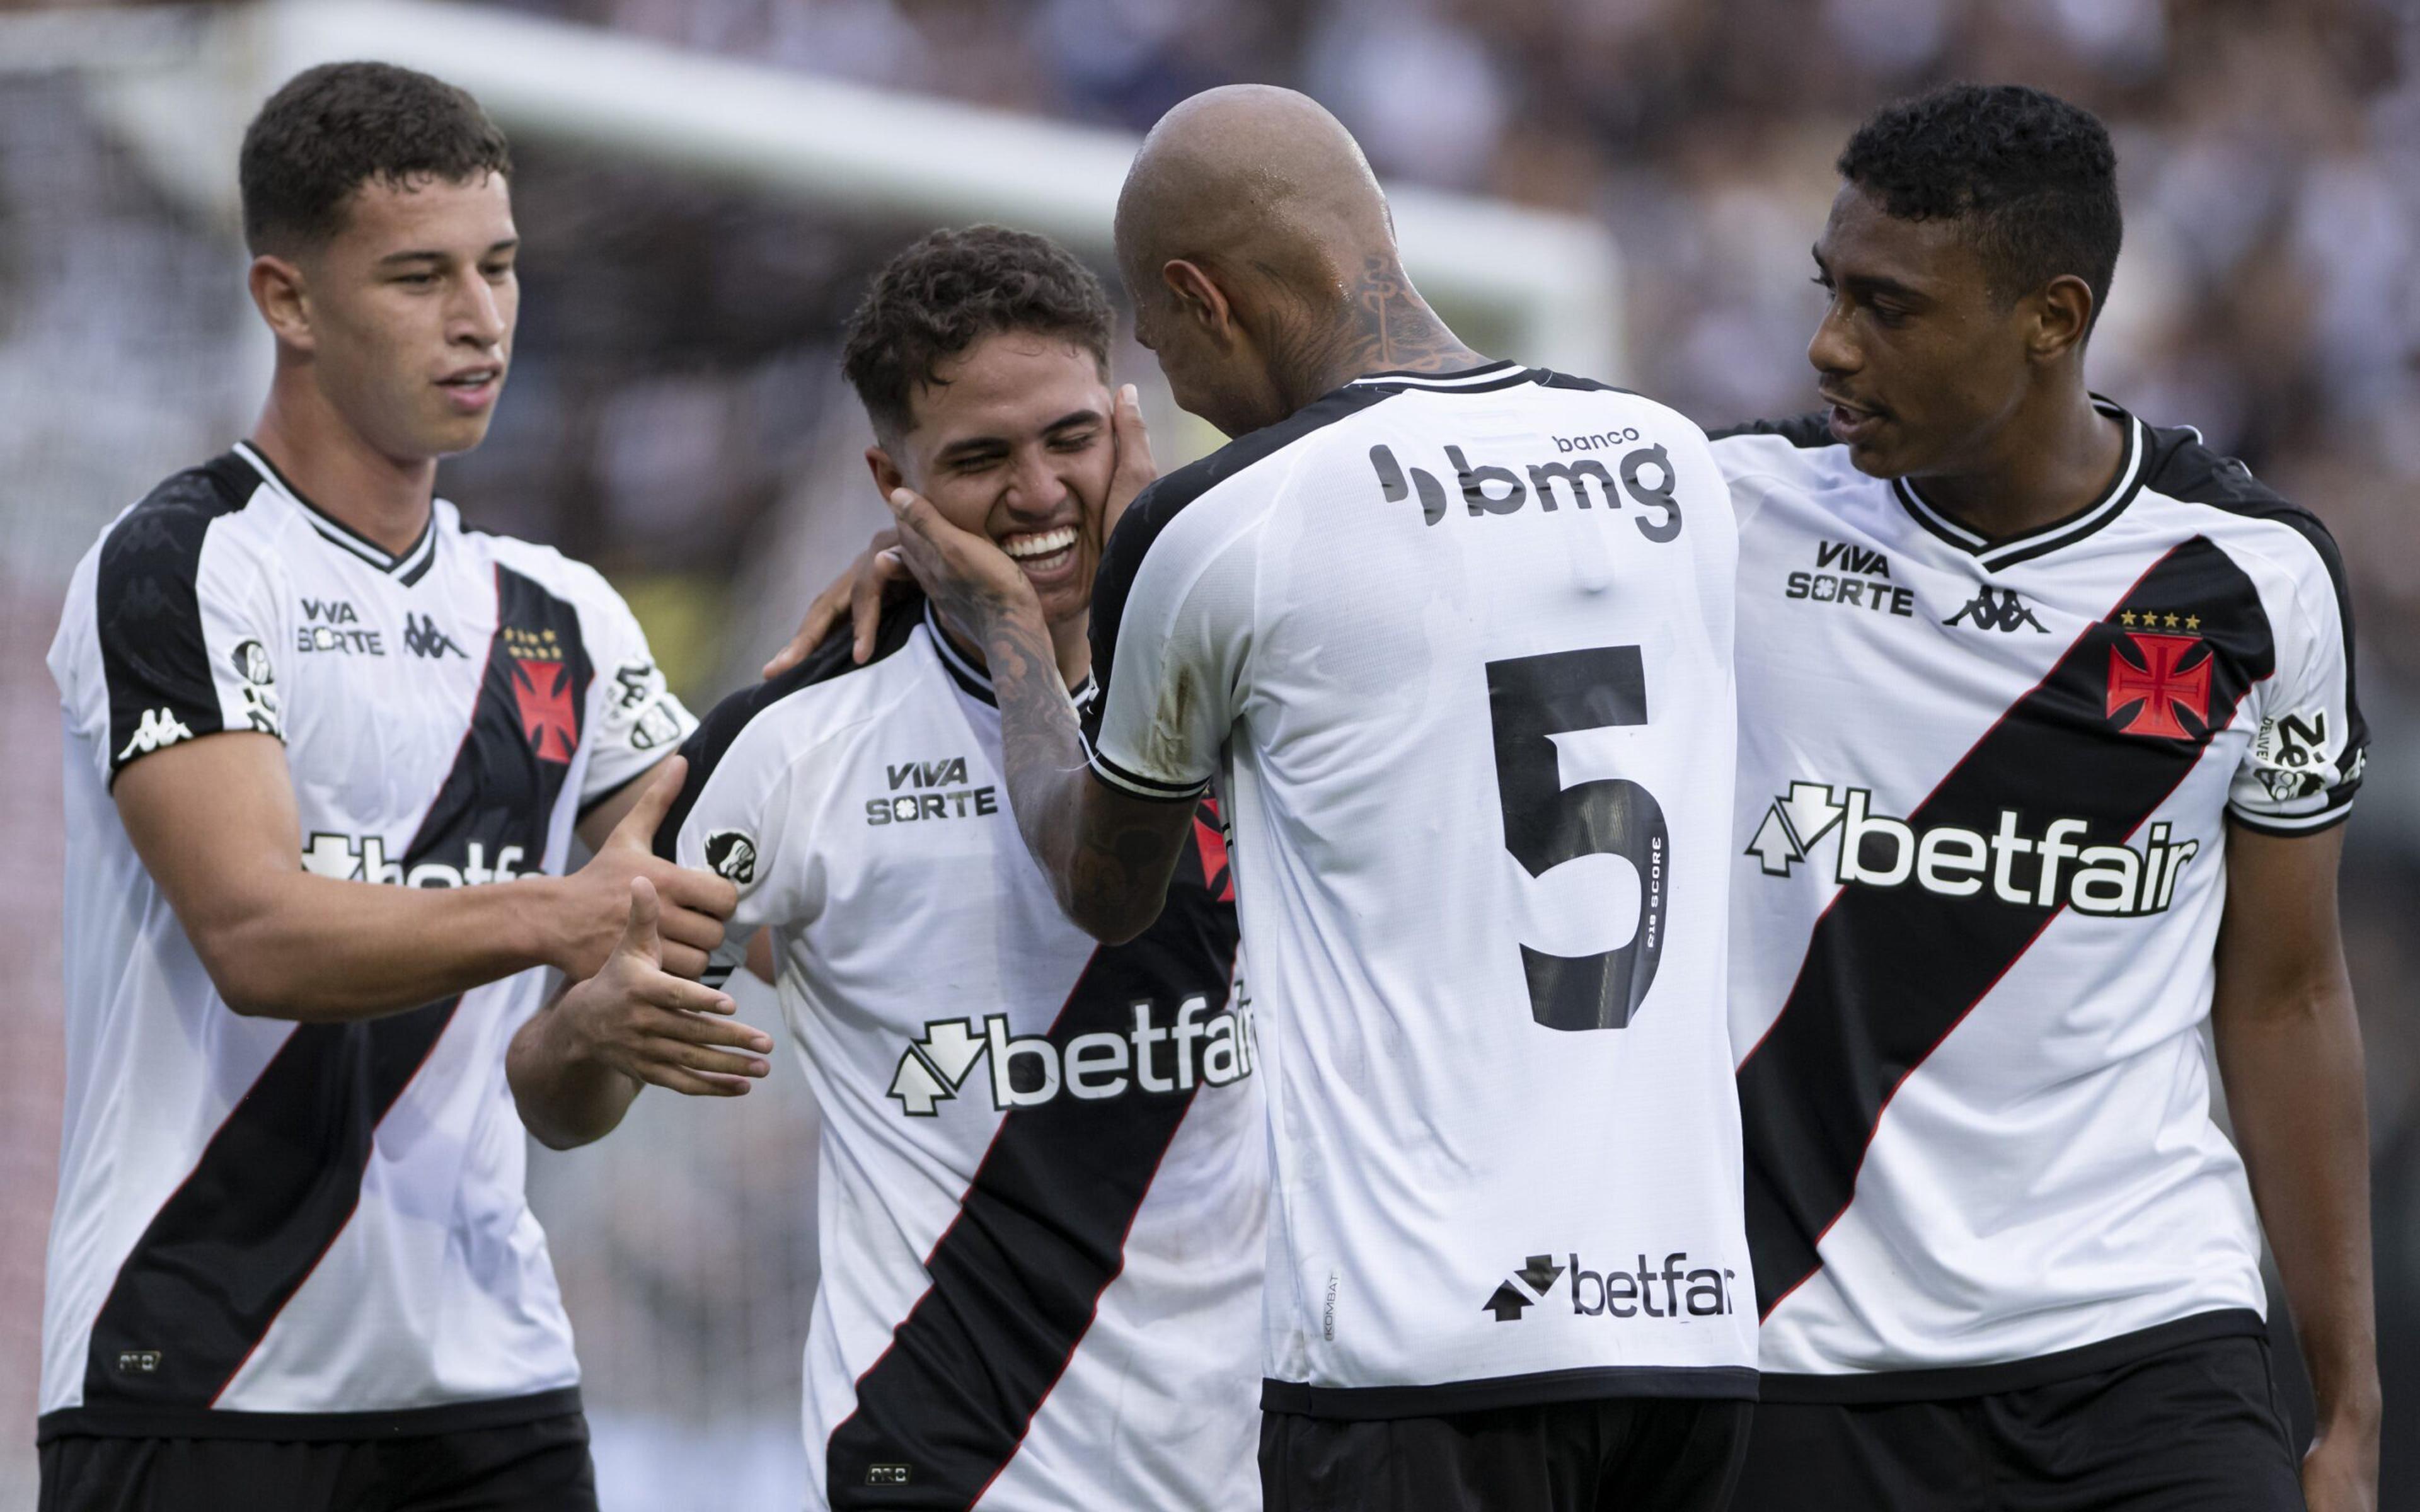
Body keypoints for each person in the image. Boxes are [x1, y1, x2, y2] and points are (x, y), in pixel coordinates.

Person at [872, 88, 1756, 1512]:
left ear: (1197, 296)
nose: (1185, 396)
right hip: (1694, 1334)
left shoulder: (1233, 518)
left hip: (1417, 1358)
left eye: (1162, 355)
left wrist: (1016, 647)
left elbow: (1103, 887)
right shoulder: (1676, 464)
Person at [38, 62, 745, 1512]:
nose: (479, 318)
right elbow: (258, 937)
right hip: (204, 1373)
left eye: (498, 268)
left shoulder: (562, 613)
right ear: (288, 301)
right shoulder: (181, 563)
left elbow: (580, 1083)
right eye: (418, 276)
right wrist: (560, 918)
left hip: (495, 1385)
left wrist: (615, 999)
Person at [509, 225, 1266, 1511]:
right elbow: (554, 1093)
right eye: (978, 459)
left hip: (1250, 1456)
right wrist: (596, 1028)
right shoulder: (795, 740)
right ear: (889, 479)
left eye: (1068, 439)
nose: (1037, 494)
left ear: (1128, 424)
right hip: (944, 1458)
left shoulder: (1266, 685)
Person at [1712, 84, 2379, 1511]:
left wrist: (2347, 1406)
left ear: (2052, 318)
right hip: (1798, 1349)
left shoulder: (2248, 585)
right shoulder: (1730, 522)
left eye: (1889, 307)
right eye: (1830, 292)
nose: (1831, 344)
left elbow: (2287, 999)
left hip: (2144, 1347)